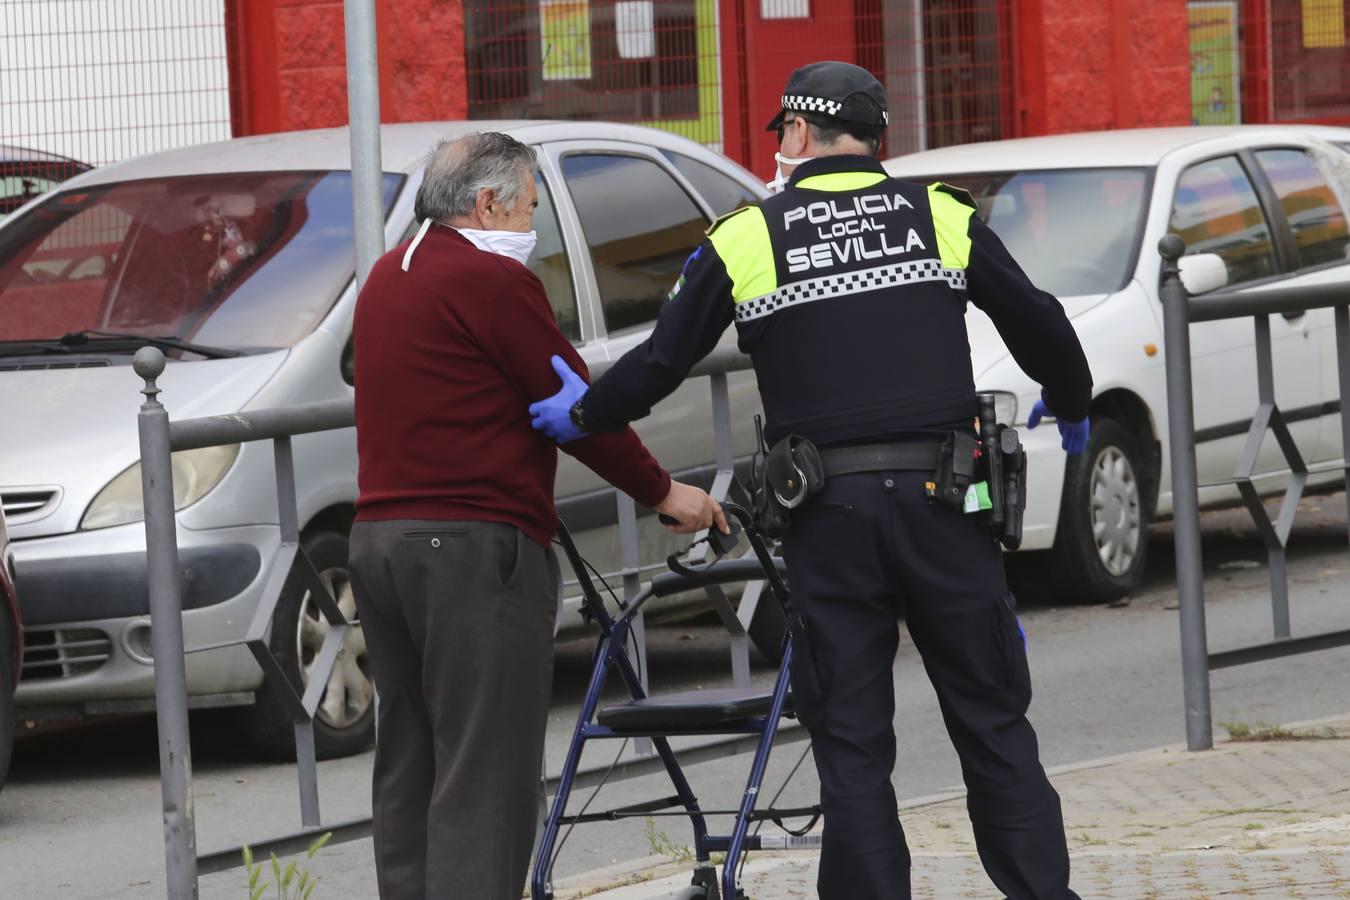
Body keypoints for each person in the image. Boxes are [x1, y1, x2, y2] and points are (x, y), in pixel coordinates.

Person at [529, 62, 1091, 900]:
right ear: (877, 138)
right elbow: (1038, 318)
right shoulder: (940, 216)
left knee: (854, 741)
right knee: (992, 719)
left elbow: (660, 361)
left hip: (827, 514)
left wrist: (584, 414)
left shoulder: (746, 236)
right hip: (947, 503)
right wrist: (1072, 402)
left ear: (795, 135)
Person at [348, 131, 726, 900]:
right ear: (486, 204)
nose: (533, 222)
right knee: (484, 773)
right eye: (528, 204)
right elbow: (575, 403)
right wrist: (663, 492)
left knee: (410, 761)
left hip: (380, 544)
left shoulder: (388, 277)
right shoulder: (492, 284)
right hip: (472, 546)